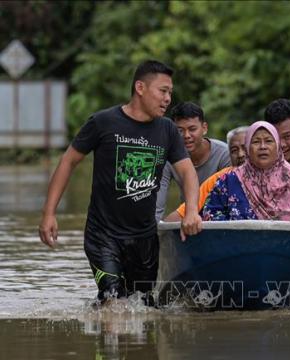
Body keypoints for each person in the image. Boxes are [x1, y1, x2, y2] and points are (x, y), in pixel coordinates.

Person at [38, 60, 202, 303]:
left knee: (142, 307)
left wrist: (191, 211)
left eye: (170, 92)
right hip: (103, 236)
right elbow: (68, 162)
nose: (168, 99)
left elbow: (188, 173)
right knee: (113, 301)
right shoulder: (103, 122)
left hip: (145, 239)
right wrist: (49, 213)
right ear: (140, 88)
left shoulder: (167, 130)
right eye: (163, 91)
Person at [202, 121, 290, 223]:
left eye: (268, 141)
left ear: (278, 147)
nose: (262, 147)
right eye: (256, 142)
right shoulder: (228, 180)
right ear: (248, 148)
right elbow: (210, 214)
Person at [155, 102, 231, 221]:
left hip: (219, 217)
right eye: (179, 130)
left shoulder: (224, 154)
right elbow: (157, 203)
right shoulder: (168, 158)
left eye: (192, 129)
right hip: (186, 215)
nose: (186, 135)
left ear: (204, 128)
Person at [164, 126, 249, 222]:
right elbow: (181, 213)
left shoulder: (269, 178)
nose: (240, 154)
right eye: (234, 150)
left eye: (245, 148)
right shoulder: (220, 179)